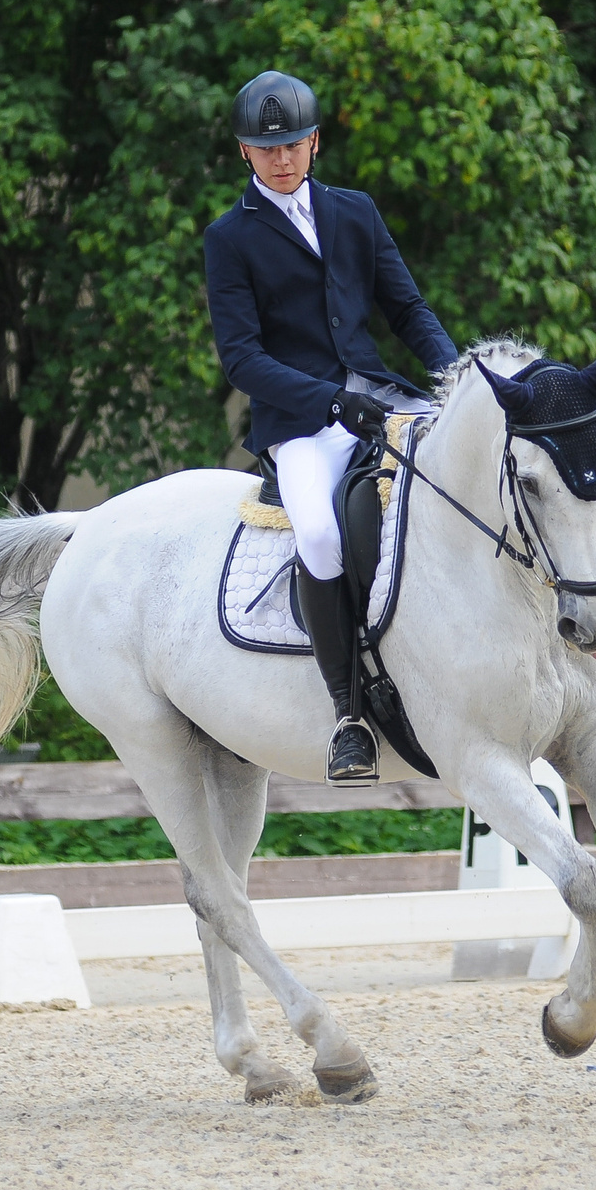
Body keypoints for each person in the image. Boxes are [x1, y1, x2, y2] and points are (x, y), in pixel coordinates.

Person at [204, 69, 458, 785]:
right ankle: (349, 713)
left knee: (474, 481)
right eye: (265, 148)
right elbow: (242, 358)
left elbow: (407, 310)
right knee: (319, 533)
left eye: (292, 145)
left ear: (315, 143)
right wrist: (326, 401)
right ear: (244, 154)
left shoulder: (354, 212)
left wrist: (456, 376)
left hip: (381, 396)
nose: (281, 159)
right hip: (303, 422)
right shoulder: (230, 239)